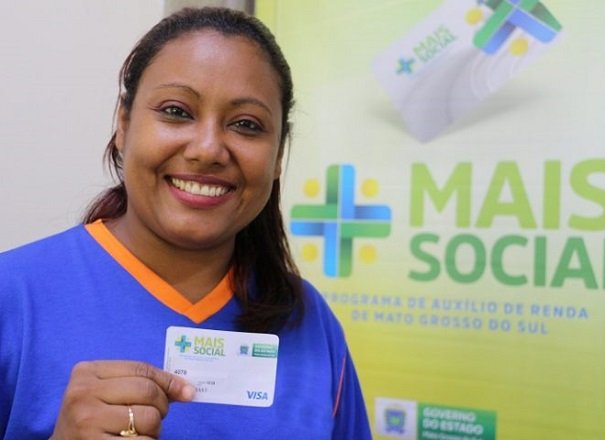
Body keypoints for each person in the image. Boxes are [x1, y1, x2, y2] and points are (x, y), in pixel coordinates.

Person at [0, 7, 372, 439]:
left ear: (278, 156)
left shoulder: (311, 323)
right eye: (176, 111)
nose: (208, 149)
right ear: (123, 125)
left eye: (246, 124)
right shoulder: (13, 296)